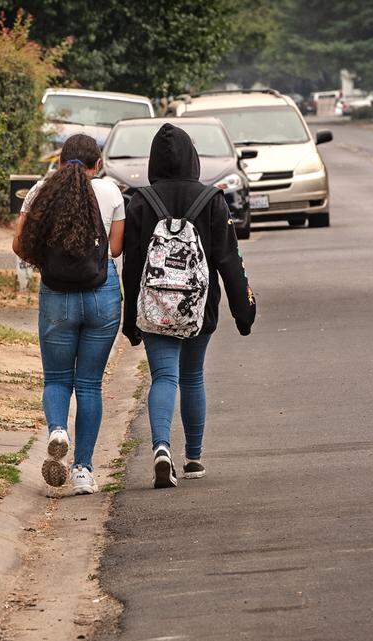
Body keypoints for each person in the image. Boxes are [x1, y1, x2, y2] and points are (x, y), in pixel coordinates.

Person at [122, 124, 256, 488]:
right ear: (192, 158)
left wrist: (130, 320)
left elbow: (132, 264)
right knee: (193, 375)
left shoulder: (140, 201)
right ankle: (193, 457)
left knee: (164, 376)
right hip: (200, 307)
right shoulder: (212, 199)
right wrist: (244, 312)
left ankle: (161, 448)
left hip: (153, 307)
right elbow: (229, 260)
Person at [14, 134, 125, 495]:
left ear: (60, 162)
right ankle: (83, 471)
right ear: (97, 165)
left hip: (57, 295)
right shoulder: (110, 193)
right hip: (101, 295)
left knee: (57, 379)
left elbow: (19, 244)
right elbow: (116, 248)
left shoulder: (40, 192)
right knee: (90, 385)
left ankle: (58, 429)